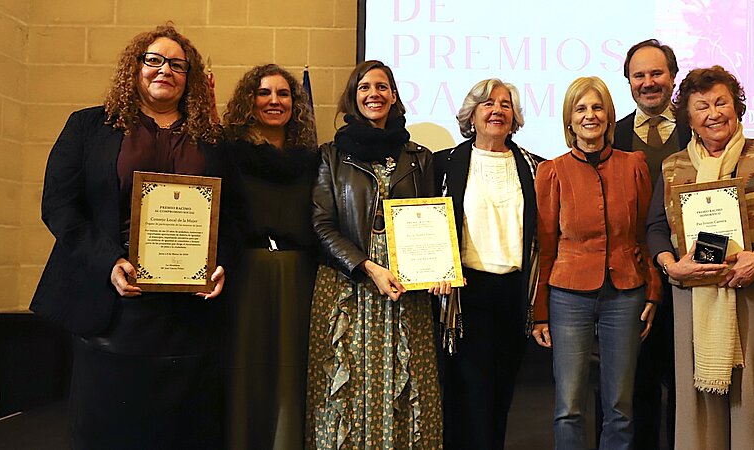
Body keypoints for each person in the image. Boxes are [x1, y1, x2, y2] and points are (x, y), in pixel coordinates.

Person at [29, 24, 226, 449]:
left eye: (177, 64)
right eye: (153, 60)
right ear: (134, 67)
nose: (164, 70)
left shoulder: (213, 140)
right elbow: (59, 206)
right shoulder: (87, 127)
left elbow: (237, 216)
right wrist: (108, 263)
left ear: (189, 77)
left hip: (189, 319)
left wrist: (221, 262)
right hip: (111, 309)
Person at [646, 66, 754, 450]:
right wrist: (671, 265)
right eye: (702, 106)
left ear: (737, 108)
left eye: (721, 102)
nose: (713, 113)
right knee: (696, 394)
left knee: (751, 393)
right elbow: (654, 227)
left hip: (753, 286)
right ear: (689, 117)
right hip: (691, 291)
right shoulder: (673, 166)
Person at [306, 60, 442, 449]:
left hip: (405, 288)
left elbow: (429, 220)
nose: (373, 94)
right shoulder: (331, 155)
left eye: (382, 87)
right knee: (346, 389)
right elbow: (321, 224)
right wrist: (367, 267)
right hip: (349, 285)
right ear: (354, 97)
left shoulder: (419, 157)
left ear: (394, 96)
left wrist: (438, 265)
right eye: (364, 87)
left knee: (407, 382)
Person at [531, 76, 661, 450]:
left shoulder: (633, 165)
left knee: (619, 405)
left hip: (626, 295)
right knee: (569, 405)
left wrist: (653, 292)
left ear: (609, 116)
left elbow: (643, 236)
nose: (590, 115)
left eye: (598, 107)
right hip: (568, 296)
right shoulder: (552, 171)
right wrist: (541, 312)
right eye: (581, 108)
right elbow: (547, 247)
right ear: (569, 120)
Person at [433, 78, 544, 450]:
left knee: (502, 398)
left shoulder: (535, 167)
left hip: (514, 296)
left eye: (505, 104)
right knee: (470, 398)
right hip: (466, 297)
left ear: (514, 118)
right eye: (487, 104)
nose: (497, 110)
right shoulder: (444, 164)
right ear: (471, 115)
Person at [219, 64, 320, 450]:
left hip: (298, 274)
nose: (274, 101)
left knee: (292, 372)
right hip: (247, 272)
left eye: (283, 94)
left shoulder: (311, 160)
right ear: (250, 99)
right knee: (247, 370)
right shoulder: (228, 154)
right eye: (264, 93)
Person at [614, 38, 690, 449]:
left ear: (673, 78)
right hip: (632, 280)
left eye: (656, 73)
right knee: (637, 386)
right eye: (638, 75)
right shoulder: (611, 133)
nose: (648, 83)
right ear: (628, 81)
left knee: (688, 384)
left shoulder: (699, 126)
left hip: (693, 275)